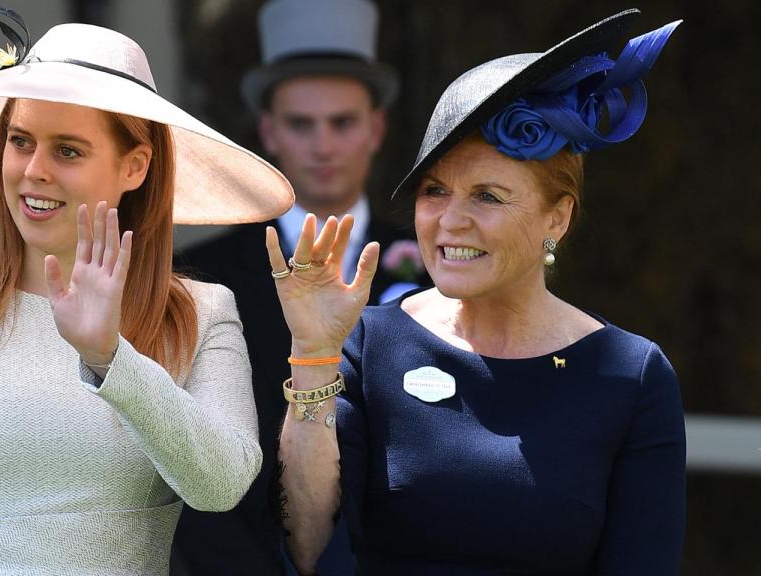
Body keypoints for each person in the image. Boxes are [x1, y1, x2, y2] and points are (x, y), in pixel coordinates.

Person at [0, 2, 292, 574]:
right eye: (21, 141)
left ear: (134, 166)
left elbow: (221, 486)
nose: (34, 169)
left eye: (68, 150)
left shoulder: (199, 312)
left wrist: (111, 359)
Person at [270, 10, 686, 575]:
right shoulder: (370, 342)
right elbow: (310, 550)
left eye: (488, 196)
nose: (451, 221)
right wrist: (314, 357)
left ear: (557, 219)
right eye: (435, 190)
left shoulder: (631, 376)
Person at [173, 1, 423, 573]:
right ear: (269, 131)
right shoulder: (200, 277)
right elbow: (190, 454)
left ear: (376, 128)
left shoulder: (434, 269)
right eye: (301, 123)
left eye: (343, 122)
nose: (324, 145)